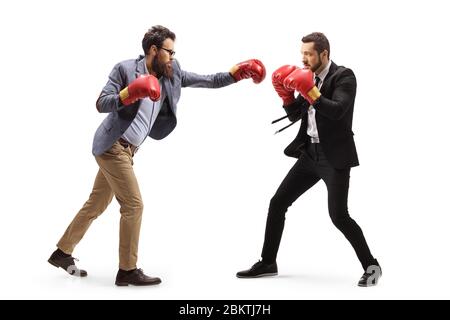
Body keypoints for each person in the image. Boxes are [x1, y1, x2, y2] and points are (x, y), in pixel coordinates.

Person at [48, 25, 266, 286]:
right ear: (154, 50)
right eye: (169, 52)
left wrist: (235, 74)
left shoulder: (171, 73)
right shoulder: (125, 69)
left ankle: (62, 252)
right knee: (134, 205)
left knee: (96, 204)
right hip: (112, 146)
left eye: (174, 53)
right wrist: (131, 92)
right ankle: (127, 270)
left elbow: (207, 80)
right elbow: (101, 103)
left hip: (129, 151)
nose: (172, 57)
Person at [236, 32, 381, 287]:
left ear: (324, 54)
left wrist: (311, 91)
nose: (303, 59)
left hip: (334, 157)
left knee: (339, 216)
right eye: (301, 53)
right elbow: (295, 116)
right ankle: (268, 262)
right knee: (278, 202)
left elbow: (337, 111)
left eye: (309, 54)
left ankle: (372, 266)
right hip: (309, 154)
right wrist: (285, 96)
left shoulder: (344, 76)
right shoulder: (308, 76)